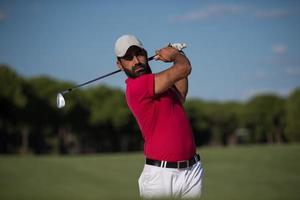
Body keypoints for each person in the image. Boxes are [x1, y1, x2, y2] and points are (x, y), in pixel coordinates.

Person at [114, 34, 204, 199]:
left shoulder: (160, 85)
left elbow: (181, 93)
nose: (136, 61)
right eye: (128, 58)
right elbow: (184, 68)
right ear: (119, 65)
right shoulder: (137, 87)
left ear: (146, 53)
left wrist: (177, 54)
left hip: (192, 171)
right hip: (161, 176)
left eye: (139, 54)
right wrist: (175, 56)